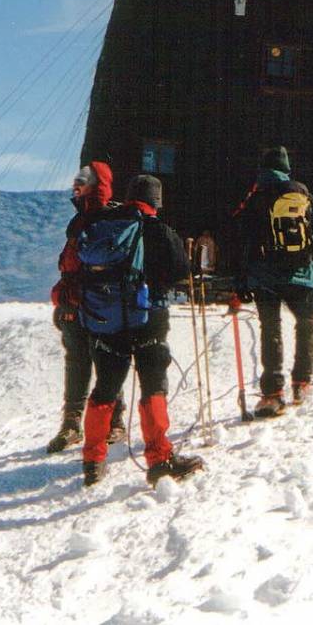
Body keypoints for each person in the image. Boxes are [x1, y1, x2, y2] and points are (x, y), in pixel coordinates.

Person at [81, 174, 203, 487]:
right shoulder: (159, 230)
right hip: (149, 317)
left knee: (105, 388)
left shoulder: (105, 226)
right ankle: (159, 460)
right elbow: (180, 271)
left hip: (107, 320)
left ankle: (93, 461)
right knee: (152, 387)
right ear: (156, 201)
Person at [236, 146, 313, 417]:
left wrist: (243, 279)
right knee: (305, 323)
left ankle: (272, 393)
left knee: (270, 328)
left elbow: (245, 242)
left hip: (265, 276)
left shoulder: (256, 197)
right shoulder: (303, 195)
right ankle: (302, 381)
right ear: (286, 168)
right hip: (301, 274)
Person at [47, 162, 126, 454]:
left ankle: (114, 421)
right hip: (75, 304)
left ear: (97, 186)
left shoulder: (111, 219)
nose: (75, 186)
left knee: (106, 362)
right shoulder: (79, 220)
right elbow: (69, 266)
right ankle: (71, 423)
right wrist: (63, 300)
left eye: (82, 181)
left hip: (102, 304)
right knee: (77, 362)